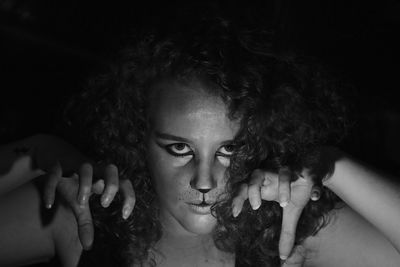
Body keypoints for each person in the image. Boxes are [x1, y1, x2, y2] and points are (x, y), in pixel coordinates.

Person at [1, 17, 400, 267]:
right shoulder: (81, 217)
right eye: (179, 149)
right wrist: (40, 152)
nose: (205, 180)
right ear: (135, 137)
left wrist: (329, 165)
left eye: (230, 149)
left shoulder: (285, 231)